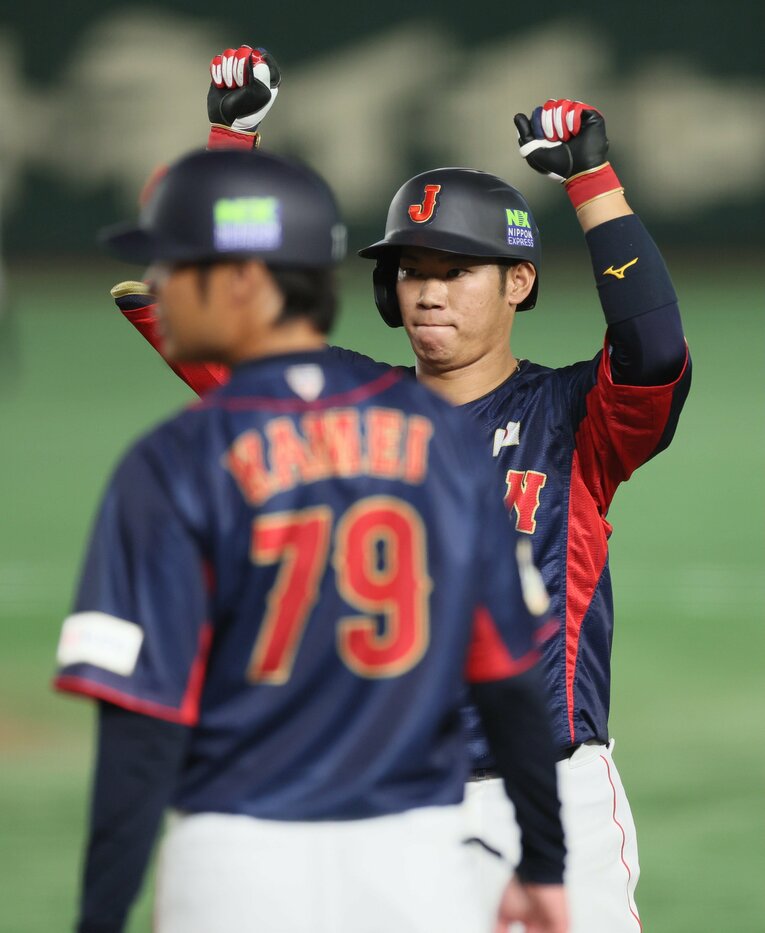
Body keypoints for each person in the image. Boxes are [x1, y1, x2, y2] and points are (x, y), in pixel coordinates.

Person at [111, 49, 692, 932]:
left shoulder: (573, 418)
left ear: (517, 282)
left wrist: (592, 184)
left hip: (548, 798)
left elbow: (651, 347)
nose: (427, 292)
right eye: (411, 271)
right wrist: (230, 140)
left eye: (456, 270)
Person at [54, 146, 569, 933]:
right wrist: (543, 862)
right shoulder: (444, 443)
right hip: (416, 861)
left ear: (241, 281)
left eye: (174, 264)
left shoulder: (175, 458)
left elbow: (141, 726)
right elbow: (507, 677)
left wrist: (98, 917)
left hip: (236, 861)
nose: (154, 283)